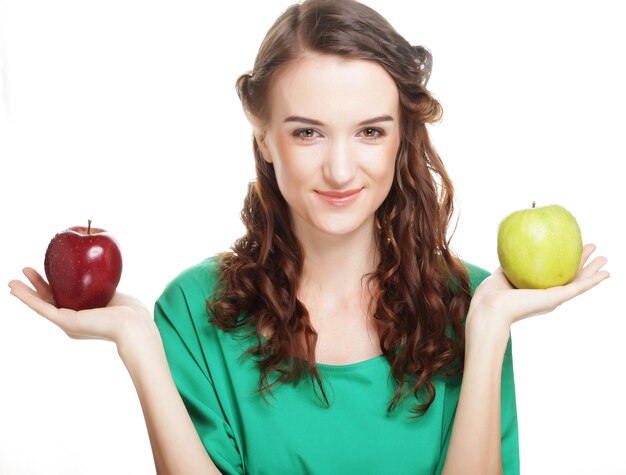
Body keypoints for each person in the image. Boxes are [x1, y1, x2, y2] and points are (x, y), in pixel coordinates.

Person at [8, 0, 609, 474]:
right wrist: (137, 342)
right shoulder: (194, 311)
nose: (342, 171)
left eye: (370, 131)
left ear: (402, 138)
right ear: (265, 138)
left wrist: (489, 328)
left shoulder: (473, 302)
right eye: (308, 134)